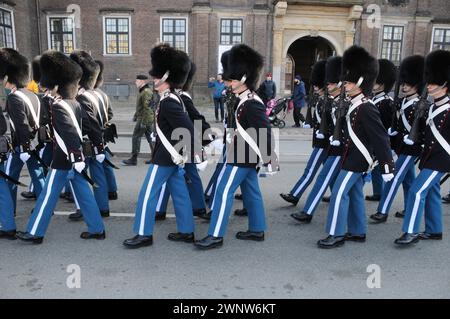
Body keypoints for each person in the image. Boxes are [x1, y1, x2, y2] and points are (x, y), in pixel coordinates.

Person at [15, 50, 106, 244]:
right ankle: (97, 228)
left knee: (47, 196)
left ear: (56, 85)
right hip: (73, 159)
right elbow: (87, 128)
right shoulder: (73, 103)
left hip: (64, 159)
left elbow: (71, 133)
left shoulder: (59, 106)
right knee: (84, 195)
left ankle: (35, 232)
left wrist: (76, 156)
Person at [195, 44, 274, 250]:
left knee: (223, 191)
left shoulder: (251, 102)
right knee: (251, 192)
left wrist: (267, 160)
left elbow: (264, 130)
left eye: (231, 80)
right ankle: (257, 229)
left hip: (242, 156)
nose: (228, 83)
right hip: (240, 153)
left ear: (244, 79)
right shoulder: (242, 99)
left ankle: (215, 235)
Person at [318, 45, 395, 249]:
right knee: (354, 193)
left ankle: (336, 233)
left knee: (339, 193)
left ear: (361, 81)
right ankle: (358, 231)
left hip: (358, 159)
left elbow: (380, 138)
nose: (345, 83)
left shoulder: (366, 107)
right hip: (349, 156)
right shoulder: (352, 103)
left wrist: (387, 165)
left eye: (349, 81)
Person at [123, 44, 195, 249]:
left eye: (157, 76)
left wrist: (181, 152)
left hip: (165, 157)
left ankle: (144, 233)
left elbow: (188, 129)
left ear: (166, 77)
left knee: (147, 194)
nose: (154, 79)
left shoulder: (169, 101)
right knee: (180, 195)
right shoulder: (170, 98)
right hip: (171, 157)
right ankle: (187, 231)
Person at [395, 50, 450, 246]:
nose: (430, 85)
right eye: (430, 81)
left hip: (442, 159)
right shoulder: (431, 106)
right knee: (433, 191)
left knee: (416, 191)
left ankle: (410, 231)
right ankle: (435, 230)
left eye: (434, 82)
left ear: (445, 84)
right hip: (429, 158)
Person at [370, 56, 425, 223]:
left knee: (393, 178)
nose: (404, 86)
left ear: (417, 84)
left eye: (408, 83)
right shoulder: (401, 102)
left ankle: (383, 210)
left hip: (411, 148)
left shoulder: (419, 105)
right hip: (401, 147)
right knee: (408, 180)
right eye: (403, 83)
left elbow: (423, 131)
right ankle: (409, 208)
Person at [291, 56, 344, 223]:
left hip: (340, 148)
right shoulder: (330, 101)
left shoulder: (346, 103)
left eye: (331, 82)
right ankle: (357, 227)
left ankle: (308, 212)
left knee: (325, 179)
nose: (327, 85)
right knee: (346, 190)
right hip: (332, 146)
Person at [154, 61, 209, 220]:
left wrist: (205, 141)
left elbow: (195, 118)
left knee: (174, 175)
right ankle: (197, 207)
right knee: (186, 175)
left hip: (181, 142)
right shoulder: (174, 95)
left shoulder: (180, 97)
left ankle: (161, 209)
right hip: (181, 141)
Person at [0, 48, 46, 214]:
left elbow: (21, 124)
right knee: (38, 175)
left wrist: (25, 146)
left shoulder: (14, 97)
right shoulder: (33, 95)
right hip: (35, 143)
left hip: (21, 145)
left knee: (9, 178)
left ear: (10, 78)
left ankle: (8, 211)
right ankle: (44, 206)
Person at [68, 50, 110, 221]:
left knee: (80, 177)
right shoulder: (97, 95)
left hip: (88, 141)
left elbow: (90, 124)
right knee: (98, 174)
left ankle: (85, 209)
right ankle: (103, 207)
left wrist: (97, 144)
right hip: (99, 139)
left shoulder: (82, 97)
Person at [279, 61, 328, 206]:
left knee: (310, 171)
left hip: (324, 143)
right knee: (330, 173)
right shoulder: (320, 100)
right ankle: (337, 192)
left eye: (317, 85)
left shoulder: (328, 102)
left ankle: (295, 194)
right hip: (322, 142)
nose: (314, 87)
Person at [365, 59, 398, 202]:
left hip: (379, 142)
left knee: (378, 169)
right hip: (372, 142)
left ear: (382, 84)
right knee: (376, 170)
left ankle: (383, 195)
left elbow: (386, 126)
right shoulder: (373, 99)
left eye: (376, 82)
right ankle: (378, 193)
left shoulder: (386, 102)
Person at [94, 60, 118, 201]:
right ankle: (112, 189)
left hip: (93, 134)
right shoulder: (103, 95)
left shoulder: (86, 96)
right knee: (106, 163)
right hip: (103, 131)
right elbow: (110, 114)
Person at [122, 75, 155, 166]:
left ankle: (134, 159)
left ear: (142, 82)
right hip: (144, 118)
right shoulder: (142, 91)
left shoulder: (146, 92)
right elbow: (141, 107)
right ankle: (155, 157)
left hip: (144, 119)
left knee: (136, 137)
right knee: (150, 138)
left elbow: (147, 108)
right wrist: (135, 115)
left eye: (137, 81)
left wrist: (143, 122)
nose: (135, 83)